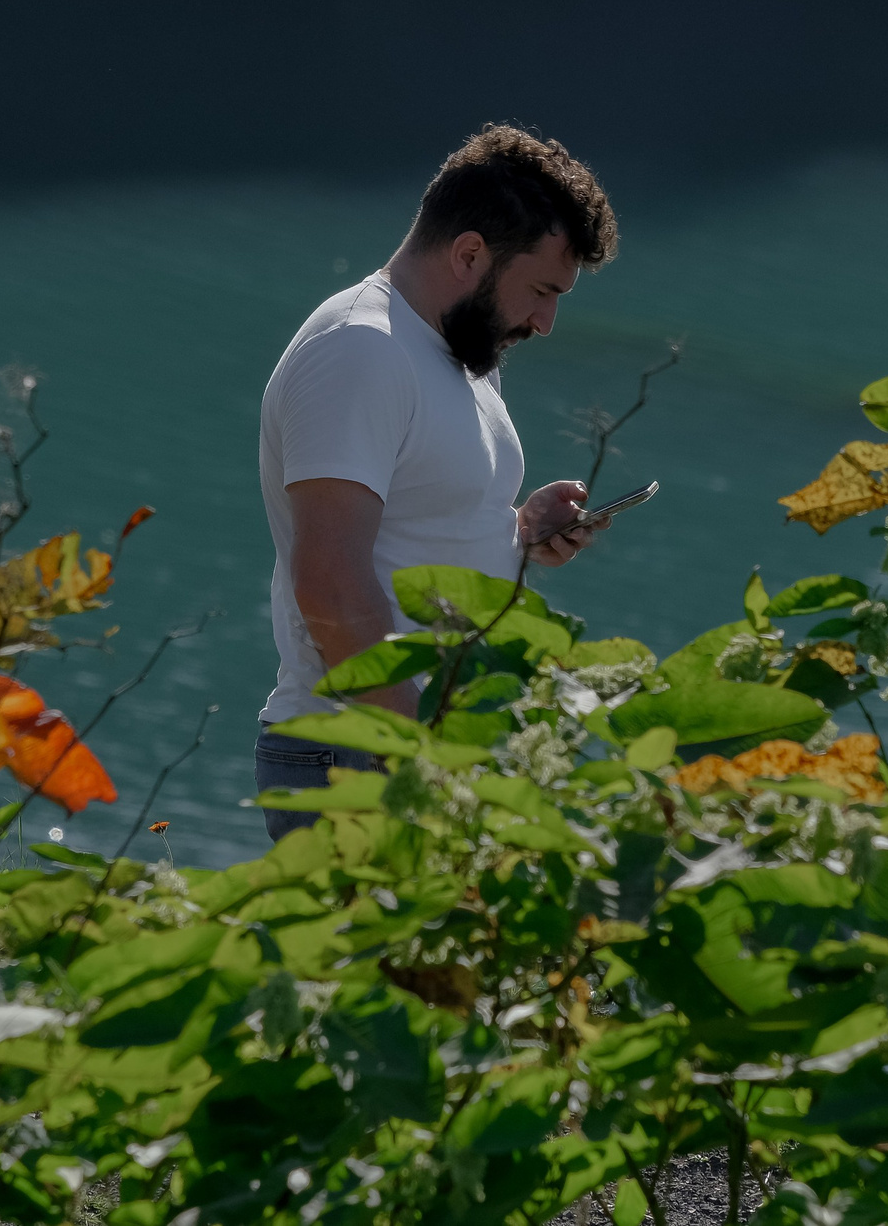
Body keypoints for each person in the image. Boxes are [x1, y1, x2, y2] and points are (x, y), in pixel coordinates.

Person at [252, 125, 619, 841]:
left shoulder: (456, 351)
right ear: (470, 253)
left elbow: (413, 525)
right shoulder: (360, 349)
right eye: (542, 290)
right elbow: (328, 581)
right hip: (359, 762)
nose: (546, 322)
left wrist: (515, 530)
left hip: (410, 754)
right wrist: (426, 762)